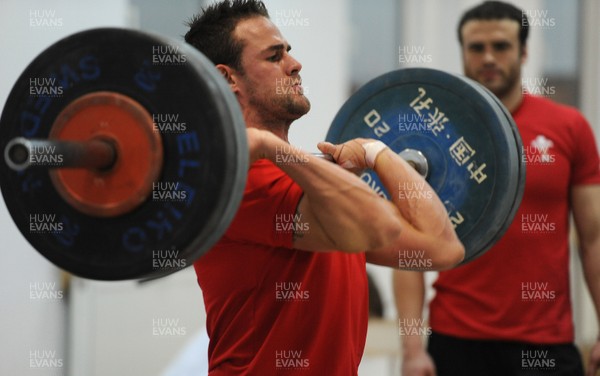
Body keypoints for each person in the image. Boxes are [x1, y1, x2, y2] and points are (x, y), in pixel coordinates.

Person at [183, 0, 464, 374]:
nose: (294, 64)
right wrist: (271, 147)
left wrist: (377, 150)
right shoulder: (241, 178)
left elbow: (442, 248)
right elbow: (378, 225)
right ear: (229, 78)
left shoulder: (313, 184)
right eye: (273, 56)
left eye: (289, 52)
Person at [393, 1, 600, 376]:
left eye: (501, 46)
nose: (488, 57)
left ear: (523, 52)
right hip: (456, 341)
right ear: (463, 53)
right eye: (476, 47)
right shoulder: (430, 136)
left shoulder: (570, 128)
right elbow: (409, 251)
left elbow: (595, 240)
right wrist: (411, 349)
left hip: (546, 344)